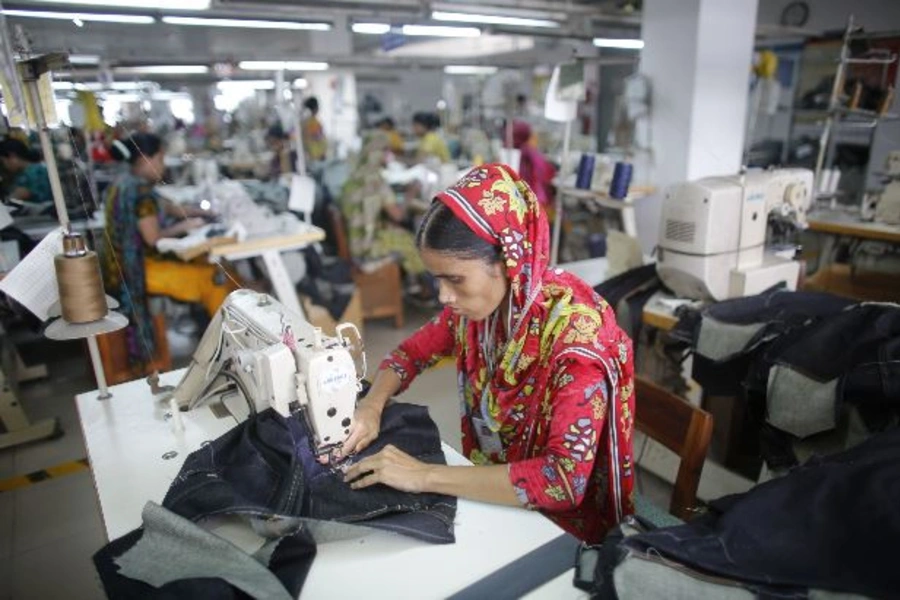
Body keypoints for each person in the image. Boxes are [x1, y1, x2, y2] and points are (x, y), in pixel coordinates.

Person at [340, 163, 635, 543]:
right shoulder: (484, 313)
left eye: (456, 280)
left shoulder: (577, 342)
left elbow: (563, 480)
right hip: (497, 496)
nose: (444, 297)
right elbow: (409, 355)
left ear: (506, 262)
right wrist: (371, 405)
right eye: (437, 279)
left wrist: (423, 475)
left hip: (559, 531)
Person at [102, 132, 238, 364]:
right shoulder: (139, 191)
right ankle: (229, 349)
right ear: (146, 159)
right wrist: (187, 225)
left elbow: (166, 207)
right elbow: (153, 238)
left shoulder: (123, 183)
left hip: (123, 269)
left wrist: (201, 211)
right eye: (160, 159)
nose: (162, 165)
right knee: (213, 279)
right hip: (139, 272)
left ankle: (212, 330)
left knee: (214, 264)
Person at [340, 131, 432, 299]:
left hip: (356, 241)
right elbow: (397, 215)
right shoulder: (376, 181)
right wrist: (411, 193)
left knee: (398, 232)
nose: (388, 155)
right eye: (385, 151)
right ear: (376, 153)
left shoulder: (353, 178)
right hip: (366, 249)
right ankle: (428, 291)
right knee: (411, 241)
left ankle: (416, 285)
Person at [510, 120, 556, 207]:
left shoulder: (509, 151)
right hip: (533, 199)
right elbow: (547, 172)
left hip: (515, 199)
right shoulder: (530, 152)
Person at [0, 138, 52, 205]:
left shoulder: (38, 172)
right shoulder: (17, 175)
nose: (4, 166)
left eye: (3, 162)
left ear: (12, 156)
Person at [302, 96, 327, 162]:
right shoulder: (312, 123)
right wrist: (322, 153)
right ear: (315, 108)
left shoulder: (309, 121)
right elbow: (317, 139)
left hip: (315, 155)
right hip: (316, 156)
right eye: (317, 106)